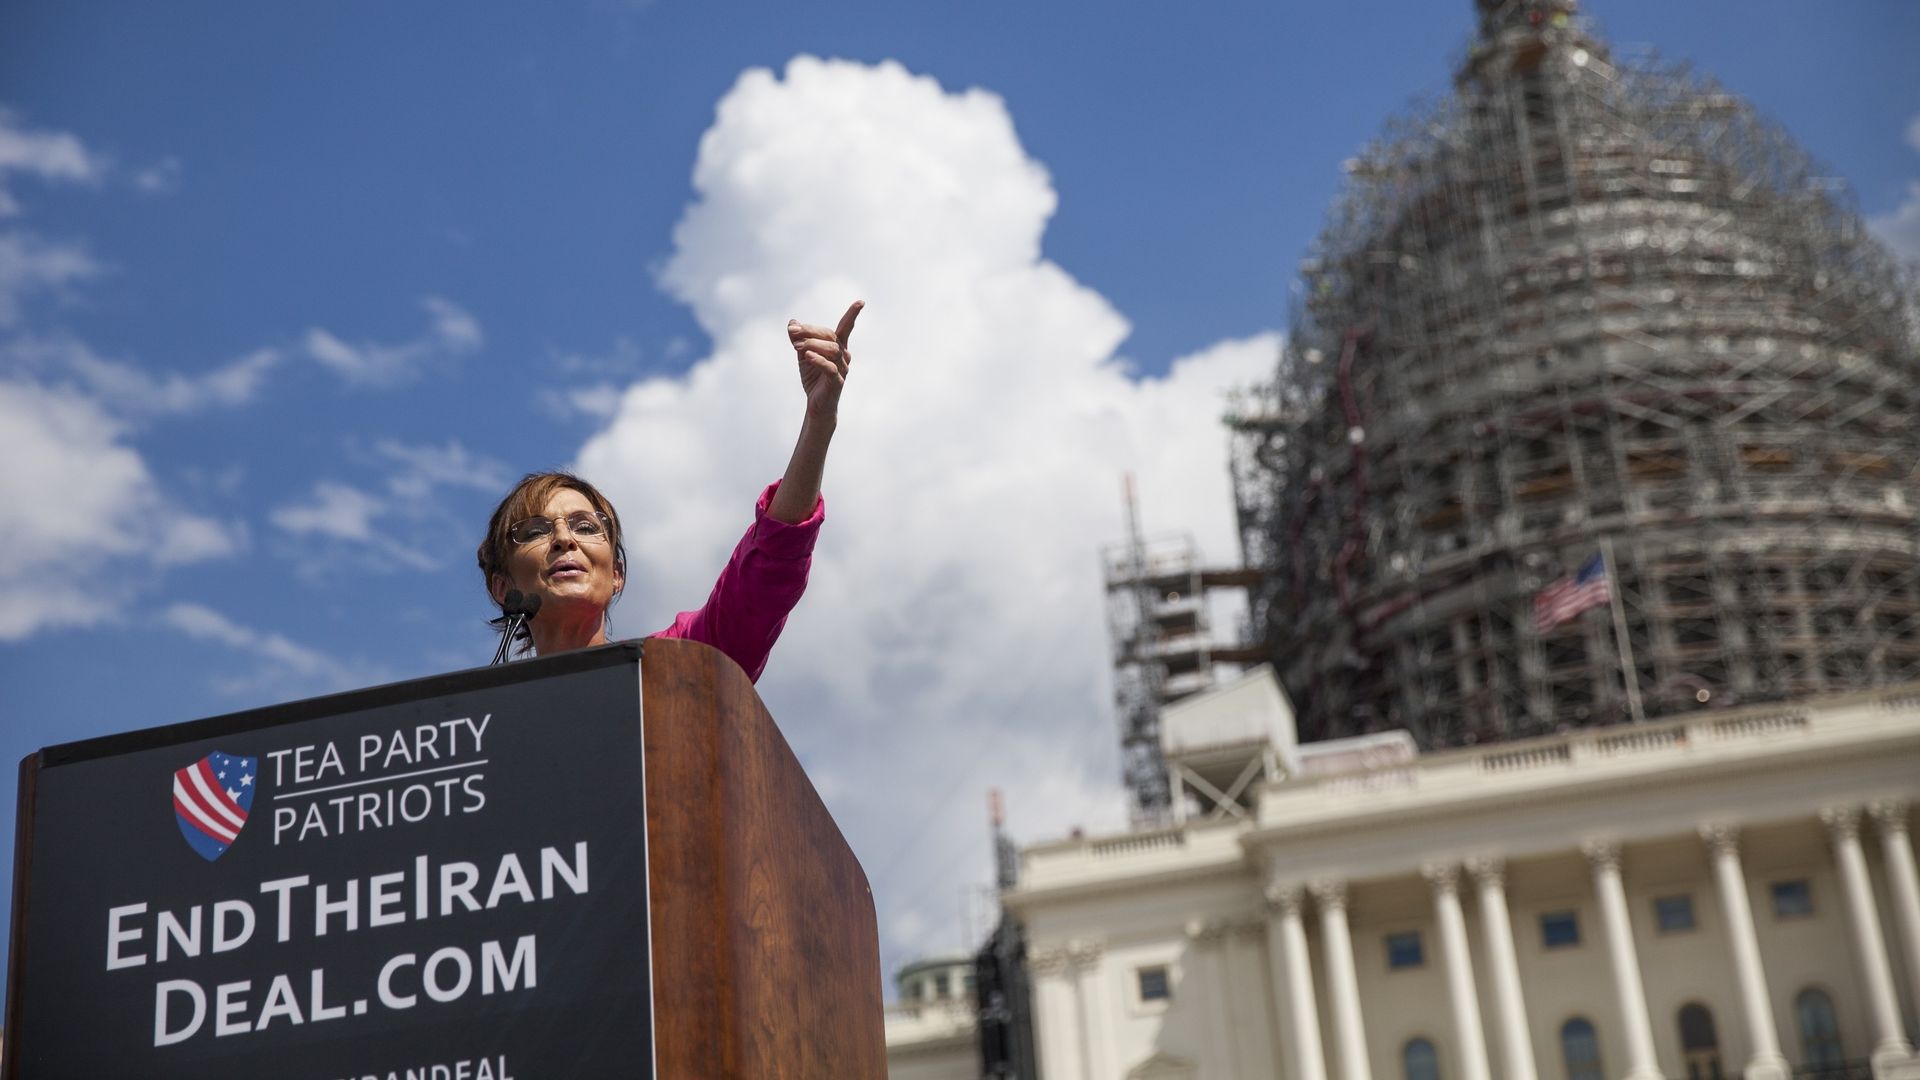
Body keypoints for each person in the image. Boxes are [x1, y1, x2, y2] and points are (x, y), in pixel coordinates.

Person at [474, 301, 862, 681]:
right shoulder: (477, 714)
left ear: (617, 575)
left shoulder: (674, 670)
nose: (564, 539)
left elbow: (767, 569)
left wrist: (818, 421)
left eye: (586, 526)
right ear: (502, 587)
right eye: (535, 531)